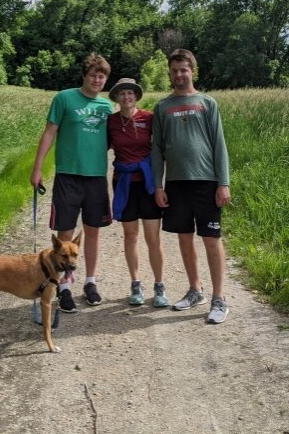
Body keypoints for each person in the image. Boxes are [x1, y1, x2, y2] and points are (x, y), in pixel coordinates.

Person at [151, 49, 231, 324]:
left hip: (206, 182)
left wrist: (223, 182)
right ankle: (196, 289)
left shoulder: (207, 103)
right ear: (170, 73)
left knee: (211, 240)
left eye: (183, 69)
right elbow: (157, 150)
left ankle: (219, 298)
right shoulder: (162, 107)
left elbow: (219, 145)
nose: (178, 75)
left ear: (192, 71)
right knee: (184, 237)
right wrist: (158, 186)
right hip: (176, 183)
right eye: (174, 70)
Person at [30, 53, 114, 312]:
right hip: (68, 175)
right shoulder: (64, 98)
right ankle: (63, 286)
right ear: (84, 76)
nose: (97, 80)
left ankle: (90, 281)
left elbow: (111, 141)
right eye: (93, 75)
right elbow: (49, 133)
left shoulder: (107, 107)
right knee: (65, 233)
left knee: (93, 231)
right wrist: (38, 167)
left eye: (102, 76)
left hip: (96, 177)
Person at [107, 77, 168, 307]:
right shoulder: (110, 121)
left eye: (130, 93)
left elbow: (162, 145)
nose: (126, 97)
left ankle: (159, 285)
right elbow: (99, 146)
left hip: (147, 184)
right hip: (124, 183)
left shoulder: (149, 118)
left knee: (153, 237)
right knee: (130, 235)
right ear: (117, 97)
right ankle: (135, 283)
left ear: (136, 96)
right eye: (122, 93)